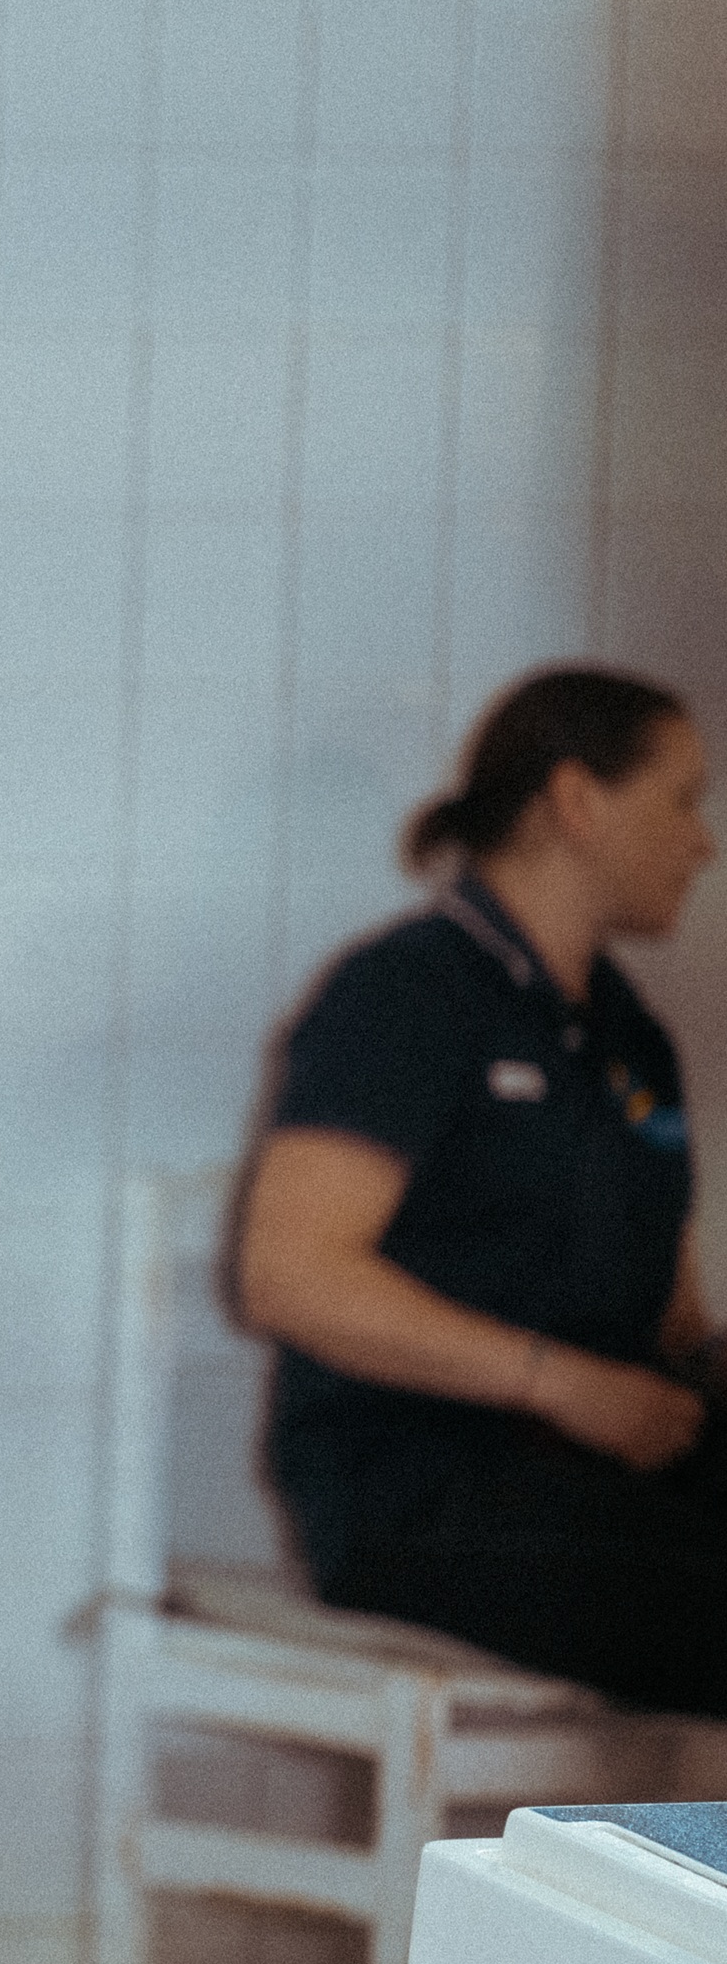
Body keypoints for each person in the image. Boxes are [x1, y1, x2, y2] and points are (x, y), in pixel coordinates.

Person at [235, 664, 727, 1713]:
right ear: (576, 801)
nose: (703, 841)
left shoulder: (626, 1035)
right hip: (420, 1490)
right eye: (682, 799)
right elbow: (289, 1275)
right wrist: (560, 1383)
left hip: (608, 1470)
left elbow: (673, 1317)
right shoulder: (406, 996)